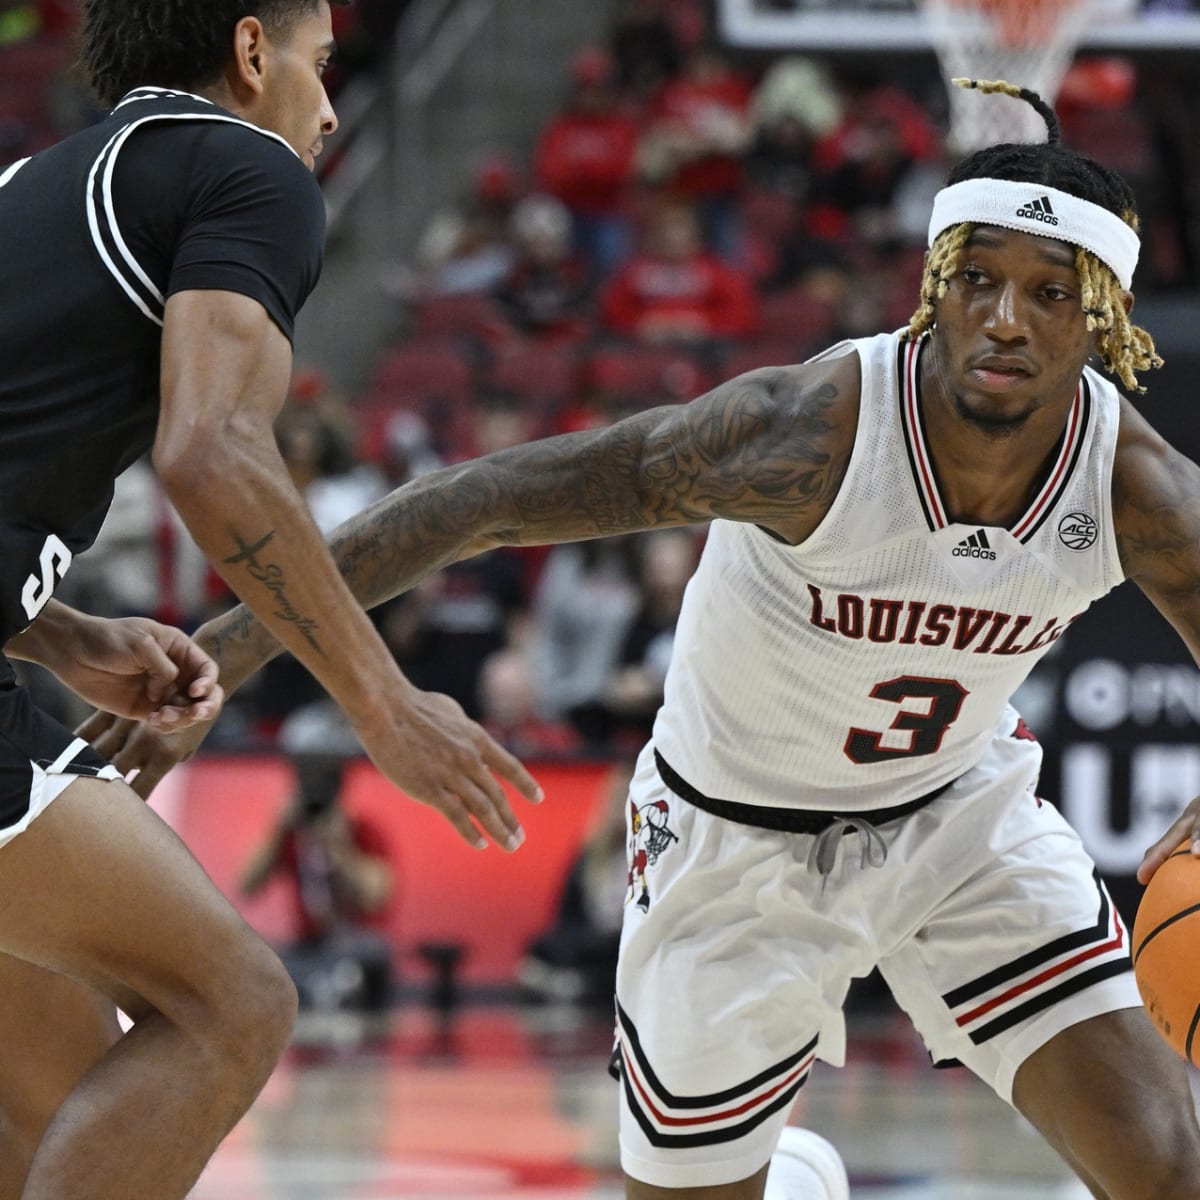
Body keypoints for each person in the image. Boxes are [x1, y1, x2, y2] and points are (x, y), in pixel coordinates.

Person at [84, 79, 1200, 1199]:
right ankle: (797, 1181)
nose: (1006, 318)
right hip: (736, 843)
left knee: (1169, 1167)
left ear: (1100, 320)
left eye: (1050, 294)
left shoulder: (1135, 488)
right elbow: (478, 500)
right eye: (978, 282)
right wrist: (222, 652)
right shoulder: (802, 433)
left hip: (960, 821)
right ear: (933, 291)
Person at [0, 3, 540, 1198]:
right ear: (254, 54)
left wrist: (70, 633)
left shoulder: (32, 182)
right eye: (322, 62)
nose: (332, 105)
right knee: (232, 1005)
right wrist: (383, 703)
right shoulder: (248, 164)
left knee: (57, 1092)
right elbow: (213, 451)